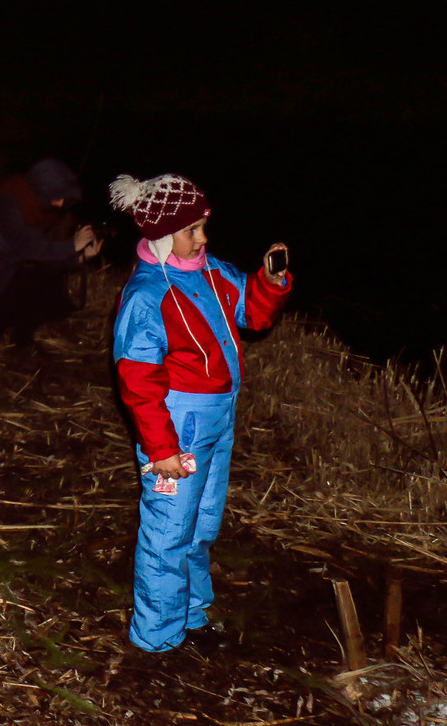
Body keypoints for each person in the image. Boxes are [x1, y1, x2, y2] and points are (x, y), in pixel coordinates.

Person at [109, 173, 290, 654]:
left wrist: (269, 283)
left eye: (204, 226)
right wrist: (161, 448)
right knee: (169, 529)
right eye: (192, 230)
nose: (203, 237)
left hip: (219, 418)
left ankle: (190, 613)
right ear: (164, 236)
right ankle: (156, 636)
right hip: (178, 427)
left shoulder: (215, 272)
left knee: (202, 523)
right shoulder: (147, 295)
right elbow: (138, 380)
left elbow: (253, 314)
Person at [0, 157, 102, 345]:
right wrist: (72, 246)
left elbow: (43, 255)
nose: (60, 204)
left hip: (4, 277)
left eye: (64, 198)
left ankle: (21, 336)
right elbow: (28, 248)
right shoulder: (5, 203)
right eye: (57, 197)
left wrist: (80, 258)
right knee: (44, 283)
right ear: (42, 188)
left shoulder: (34, 208)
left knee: (51, 283)